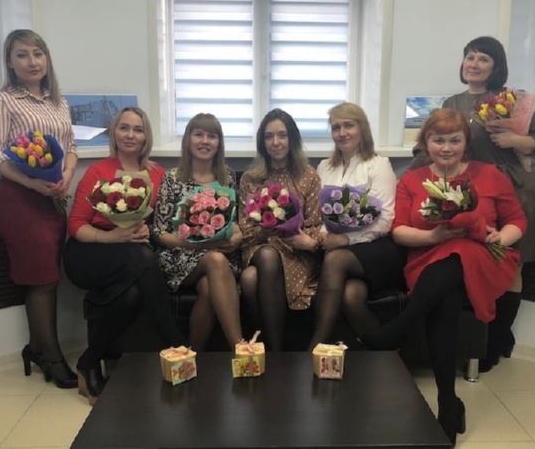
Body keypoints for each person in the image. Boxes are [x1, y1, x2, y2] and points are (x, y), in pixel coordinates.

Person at [361, 108, 527, 446]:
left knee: (460, 250)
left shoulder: (491, 175)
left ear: (466, 143)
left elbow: (517, 220)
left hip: (484, 256)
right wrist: (433, 237)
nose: (447, 148)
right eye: (439, 140)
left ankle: (399, 328)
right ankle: (448, 403)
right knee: (445, 298)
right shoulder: (412, 179)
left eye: (455, 140)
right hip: (427, 260)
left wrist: (501, 237)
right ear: (426, 142)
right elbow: (399, 231)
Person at [424, 36, 535, 372]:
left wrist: (517, 140)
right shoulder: (451, 103)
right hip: (472, 195)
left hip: (514, 190)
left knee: (510, 266)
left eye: (483, 59)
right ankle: (487, 338)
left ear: (496, 66)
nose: (474, 64)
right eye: (470, 57)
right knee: (480, 265)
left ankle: (494, 344)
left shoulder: (511, 100)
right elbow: (432, 142)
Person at [62, 107, 186, 405]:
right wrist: (111, 236)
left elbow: (163, 223)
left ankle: (89, 361)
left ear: (146, 137)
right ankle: (178, 346)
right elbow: (76, 224)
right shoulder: (98, 171)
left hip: (131, 255)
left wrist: (148, 231)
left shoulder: (158, 175)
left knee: (133, 293)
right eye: (124, 128)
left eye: (138, 130)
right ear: (115, 133)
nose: (131, 135)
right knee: (142, 258)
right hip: (88, 252)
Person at [0, 29, 78, 389]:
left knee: (47, 277)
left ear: (46, 58)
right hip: (19, 200)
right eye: (21, 55)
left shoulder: (58, 102)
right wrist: (32, 183)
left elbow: (70, 147)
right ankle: (52, 357)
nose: (32, 62)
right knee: (42, 280)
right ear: (10, 62)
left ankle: (36, 348)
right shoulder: (2, 101)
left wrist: (66, 174)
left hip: (52, 198)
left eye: (37, 53)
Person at [307, 102, 405, 350]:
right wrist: (322, 236)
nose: (342, 133)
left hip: (375, 247)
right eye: (336, 127)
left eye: (348, 125)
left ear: (362, 128)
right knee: (351, 296)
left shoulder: (379, 164)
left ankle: (316, 346)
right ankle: (385, 353)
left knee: (335, 259)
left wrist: (346, 240)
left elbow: (385, 220)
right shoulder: (324, 167)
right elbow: (318, 214)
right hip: (335, 246)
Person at [153, 113, 243, 350]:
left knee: (208, 288)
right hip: (180, 254)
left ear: (219, 143)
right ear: (188, 140)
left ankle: (192, 357)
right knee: (215, 260)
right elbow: (159, 233)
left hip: (220, 253)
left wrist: (238, 236)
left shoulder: (227, 176)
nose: (205, 141)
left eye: (212, 136)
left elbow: (234, 222)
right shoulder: (172, 178)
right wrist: (195, 245)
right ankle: (240, 348)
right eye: (198, 134)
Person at [238, 109, 323, 351]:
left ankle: (266, 348)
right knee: (267, 255)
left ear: (292, 138)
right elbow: (244, 231)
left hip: (297, 252)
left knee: (250, 279)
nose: (275, 142)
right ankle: (277, 353)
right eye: (269, 136)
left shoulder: (308, 176)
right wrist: (263, 233)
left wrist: (307, 241)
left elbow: (315, 224)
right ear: (262, 142)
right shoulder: (250, 179)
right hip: (259, 248)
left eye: (282, 135)